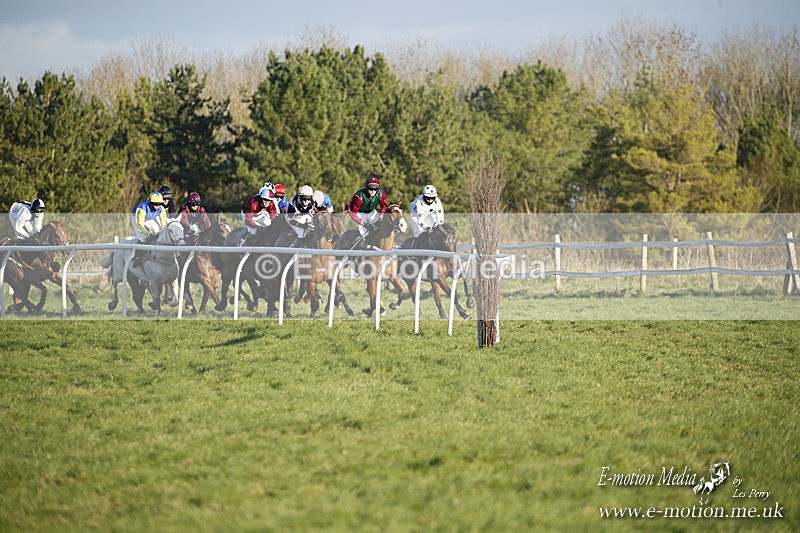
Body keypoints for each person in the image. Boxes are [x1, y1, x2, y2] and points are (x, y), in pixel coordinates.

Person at [131, 192, 168, 267]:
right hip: (137, 220)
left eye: (159, 204)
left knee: (157, 231)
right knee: (143, 238)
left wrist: (164, 232)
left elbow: (163, 223)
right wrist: (147, 233)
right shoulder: (143, 207)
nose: (158, 206)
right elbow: (140, 224)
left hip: (149, 218)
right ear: (151, 203)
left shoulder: (161, 209)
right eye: (155, 204)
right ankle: (137, 257)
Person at [348, 177, 388, 243]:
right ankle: (359, 242)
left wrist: (381, 216)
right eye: (370, 188)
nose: (373, 191)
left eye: (375, 189)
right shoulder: (358, 196)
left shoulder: (381, 194)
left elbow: (384, 207)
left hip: (372, 212)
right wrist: (363, 223)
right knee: (364, 234)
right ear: (366, 188)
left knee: (382, 226)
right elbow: (352, 213)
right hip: (359, 213)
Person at [409, 184, 445, 249]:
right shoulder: (419, 203)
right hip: (415, 215)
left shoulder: (437, 201)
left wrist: (440, 227)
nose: (430, 200)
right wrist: (428, 227)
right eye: (428, 197)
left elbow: (440, 216)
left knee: (435, 227)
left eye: (432, 198)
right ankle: (417, 250)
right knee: (419, 232)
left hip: (428, 214)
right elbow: (420, 221)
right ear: (424, 196)